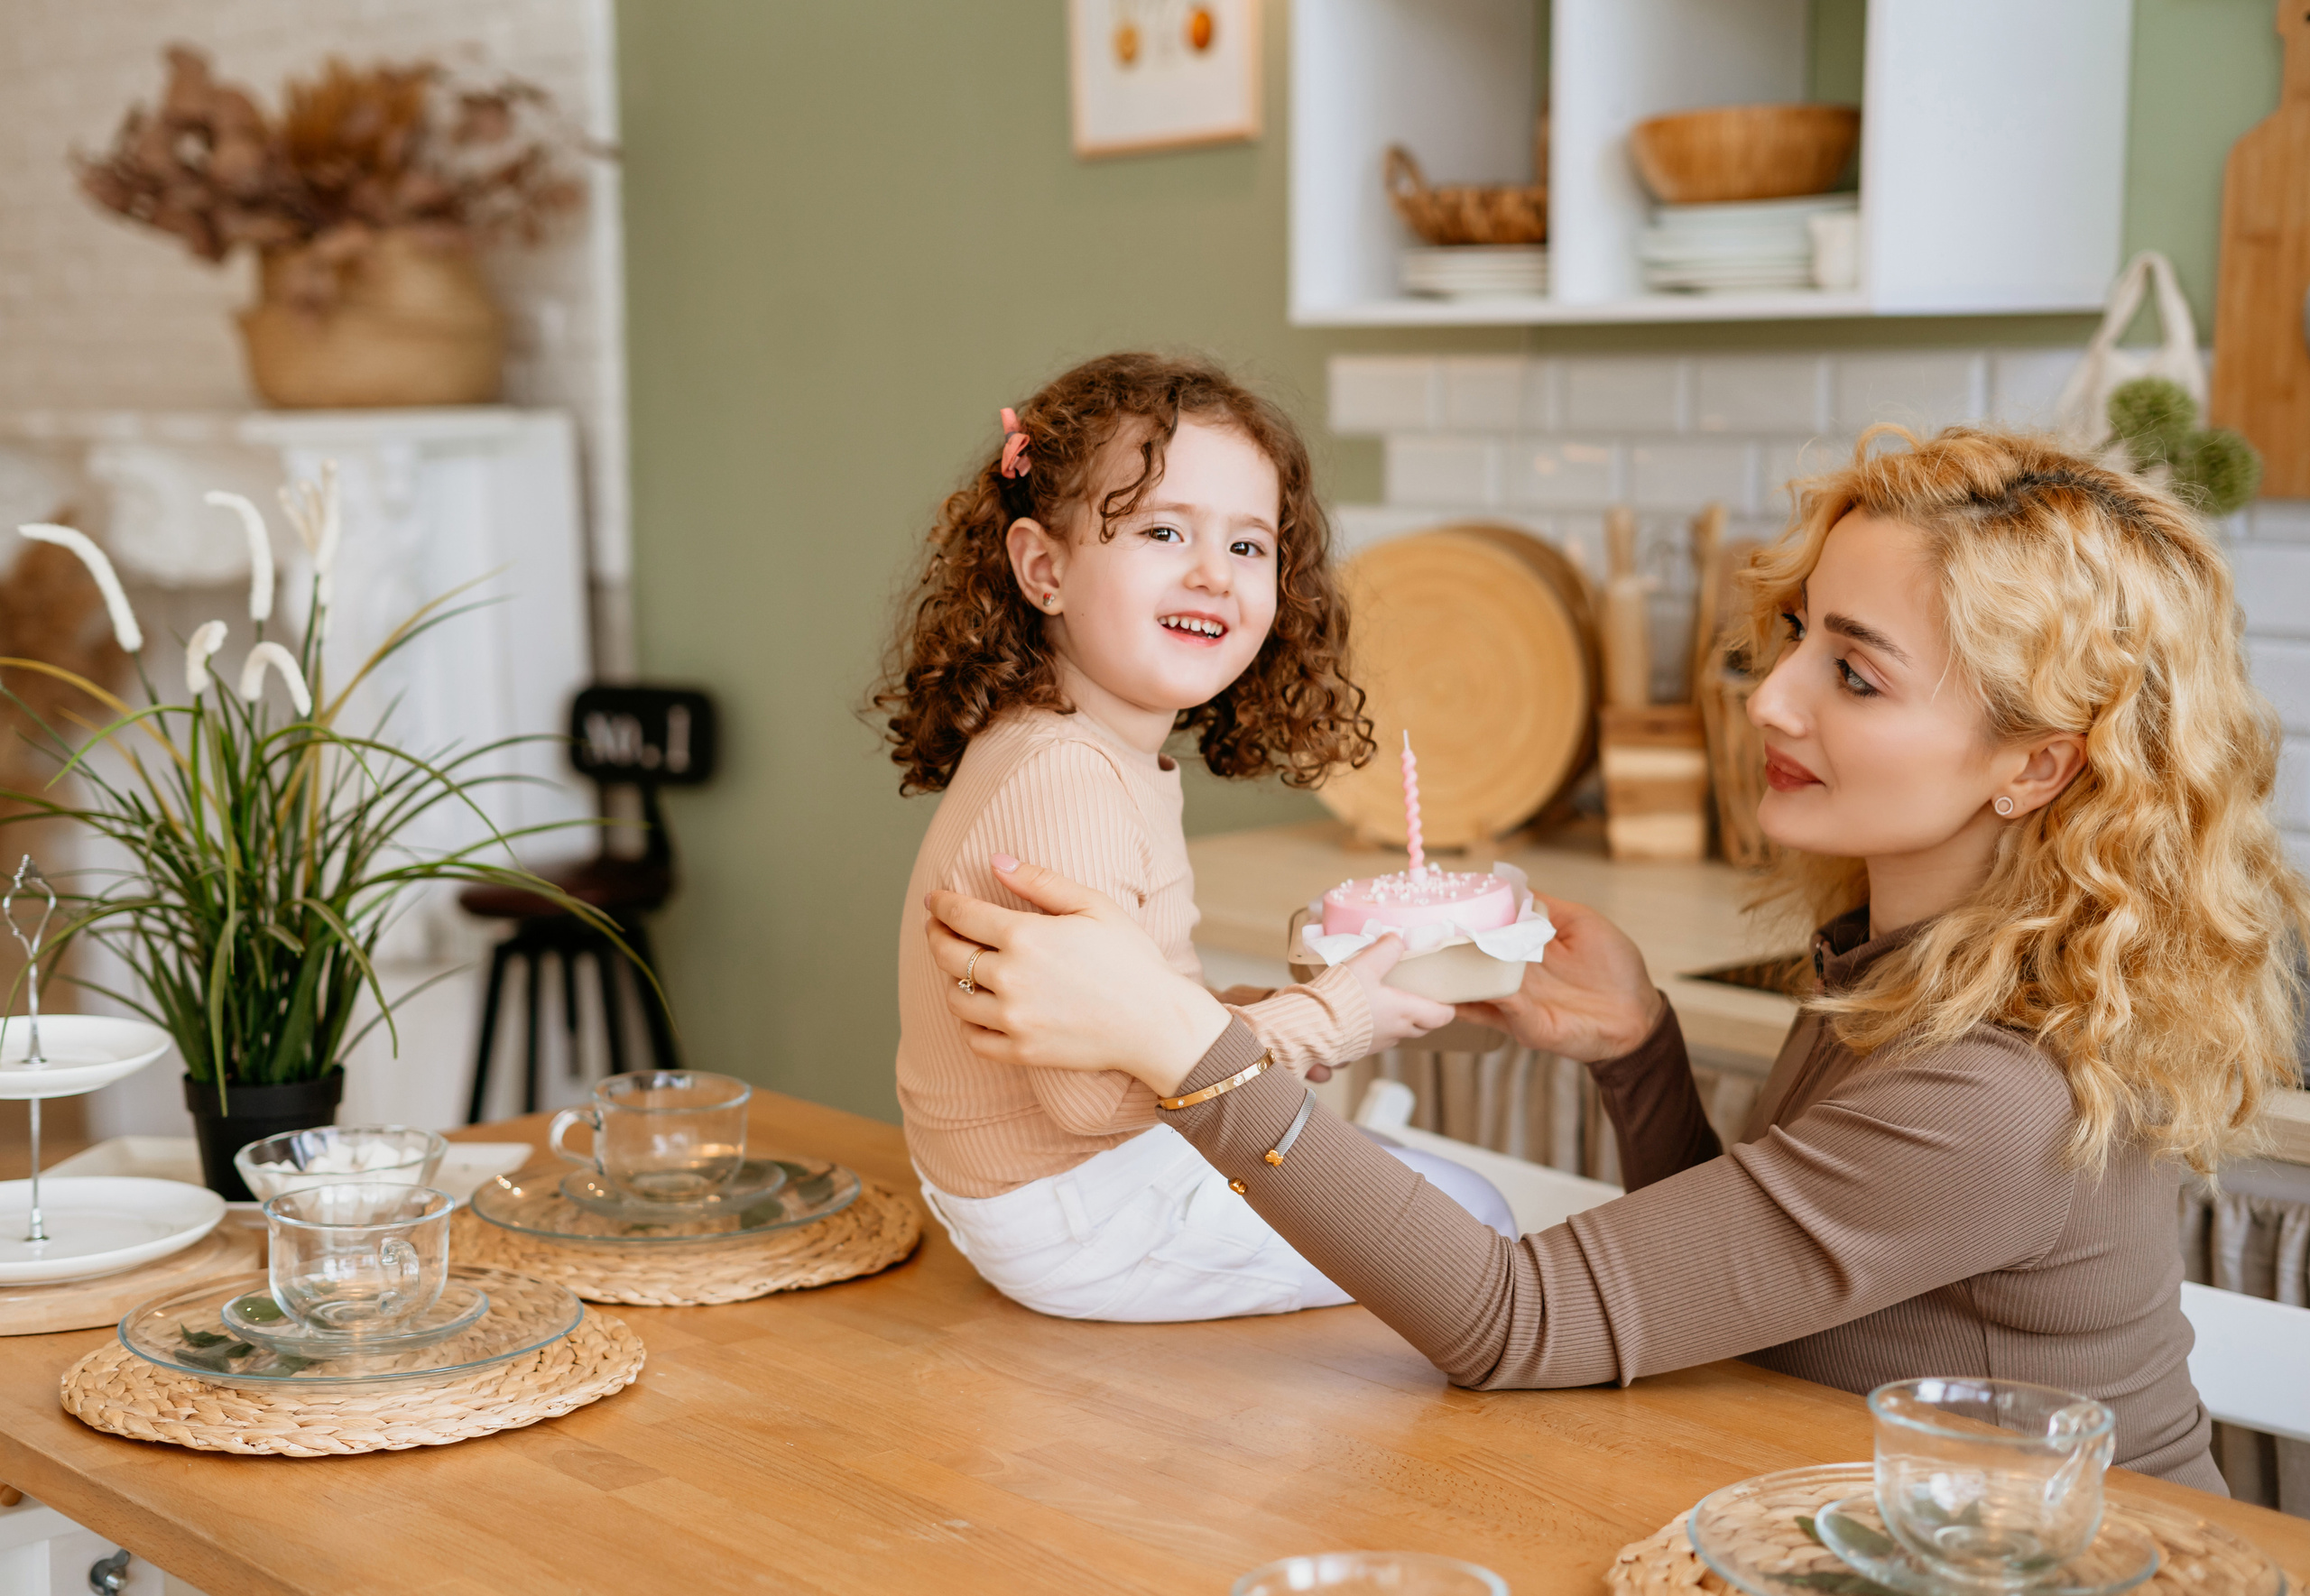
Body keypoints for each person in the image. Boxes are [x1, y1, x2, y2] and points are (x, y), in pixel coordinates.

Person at [921, 425, 2310, 1489]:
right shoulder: (1903, 962)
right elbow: (1761, 1295)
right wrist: (1643, 1055)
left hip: (2055, 1562)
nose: (1770, 694)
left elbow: (1519, 1322)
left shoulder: (1996, 1095)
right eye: (1798, 636)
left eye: (1856, 672)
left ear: (2034, 765)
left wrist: (1181, 1046)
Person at [873, 351, 1511, 1324]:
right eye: (1164, 530)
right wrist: (1325, 1020)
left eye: (1250, 547)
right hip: (1078, 1208)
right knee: (1473, 1224)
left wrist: (1273, 1007)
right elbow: (1094, 1098)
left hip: (1081, 1188)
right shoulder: (1067, 778)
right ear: (1043, 567)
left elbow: (1137, 1009)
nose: (1213, 573)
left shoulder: (1078, 747)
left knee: (1426, 1195)